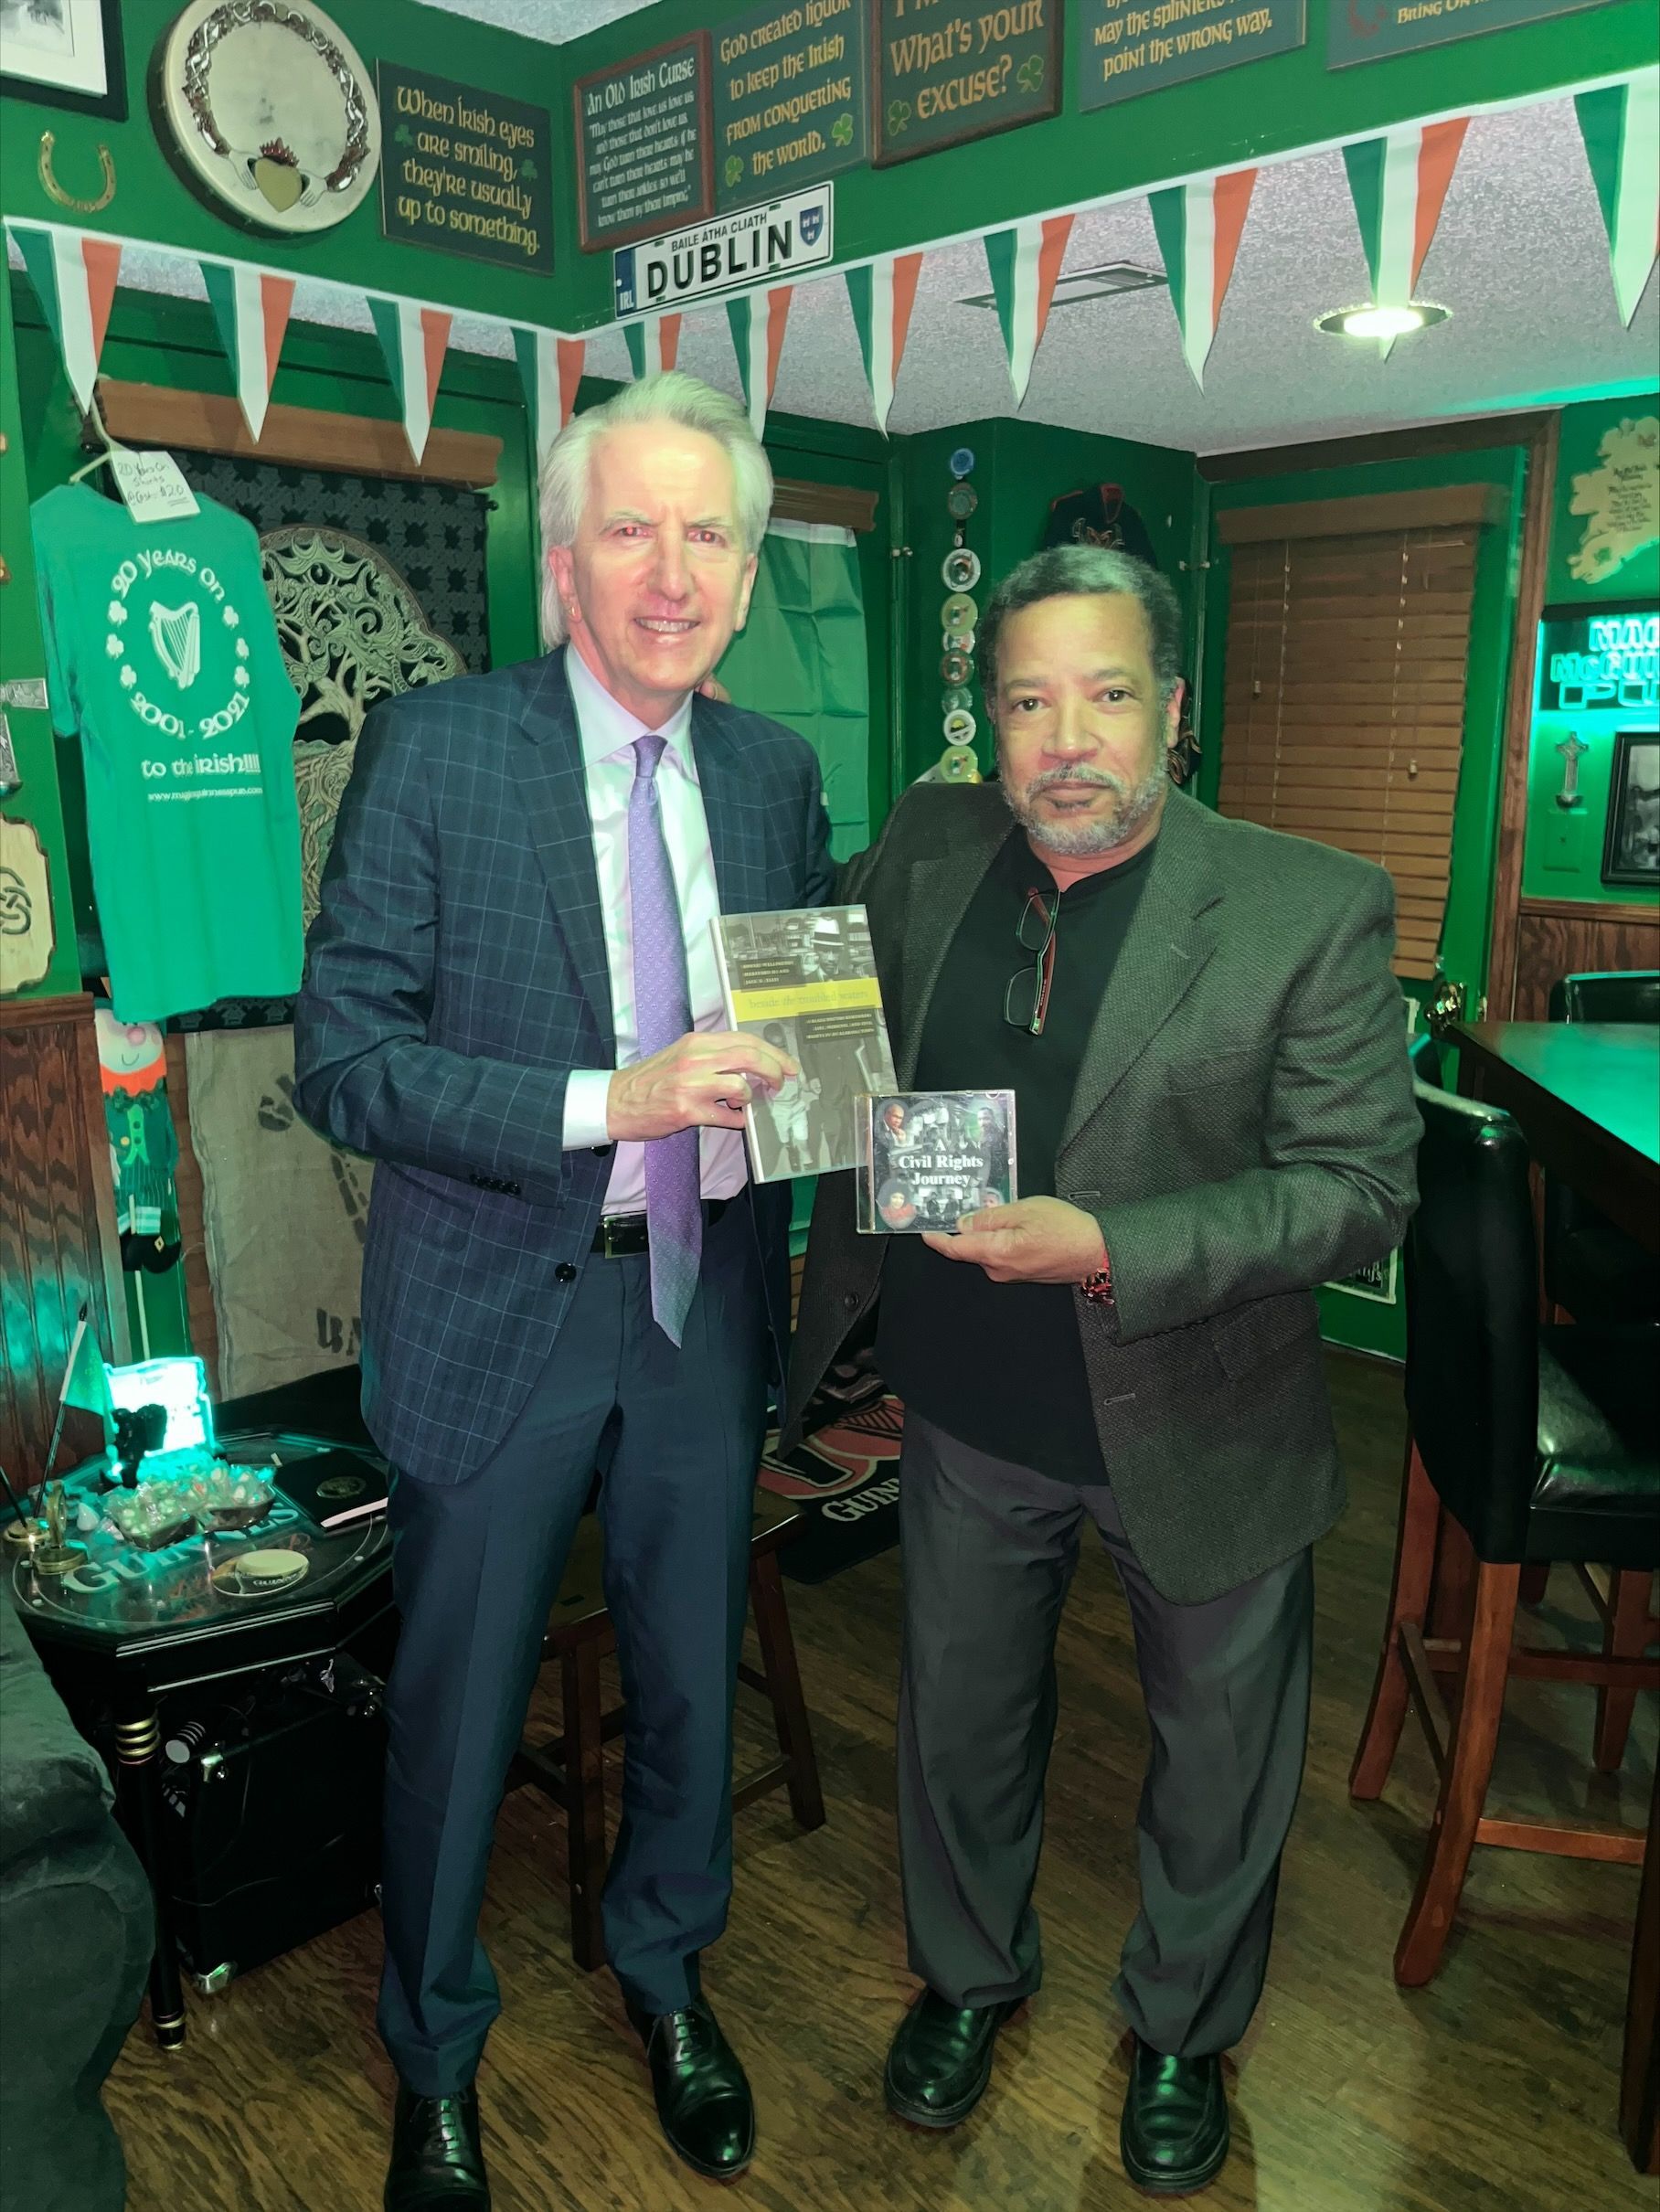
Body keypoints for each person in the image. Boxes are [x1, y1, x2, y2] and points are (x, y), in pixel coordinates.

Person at [785, 546, 1419, 2196]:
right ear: (986, 723)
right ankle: (967, 1980)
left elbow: (1360, 1191)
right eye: (1027, 701)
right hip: (963, 1402)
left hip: (1205, 1415)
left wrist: (1107, 1245)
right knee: (958, 1724)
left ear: (1174, 711)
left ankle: (1183, 2031)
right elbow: (821, 1006)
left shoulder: (1305, 904)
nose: (1067, 740)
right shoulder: (929, 844)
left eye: (1107, 695)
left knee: (1220, 1759)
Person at [294, 370, 834, 2207]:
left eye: (706, 535)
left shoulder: (772, 773)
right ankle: (435, 2054)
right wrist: (618, 1100)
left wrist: (839, 1093)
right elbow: (346, 1061)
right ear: (563, 564)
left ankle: (667, 1973)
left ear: (744, 577)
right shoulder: (439, 749)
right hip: (493, 1311)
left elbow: (796, 1033)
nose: (669, 573)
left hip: (701, 1306)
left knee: (690, 1683)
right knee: (456, 1717)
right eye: (629, 529)